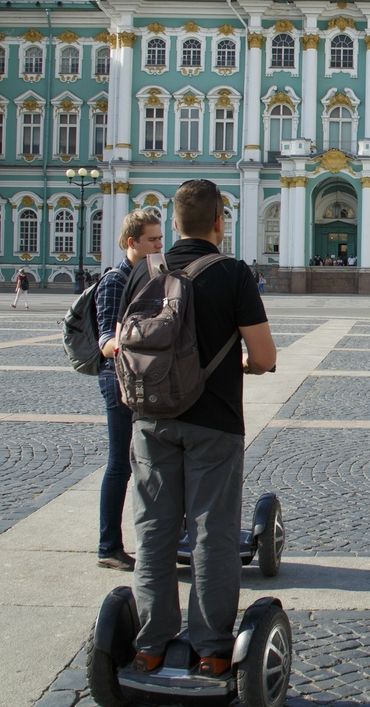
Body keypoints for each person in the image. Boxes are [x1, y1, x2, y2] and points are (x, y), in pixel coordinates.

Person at [115, 180, 277, 678]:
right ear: (219, 222)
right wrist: (245, 365)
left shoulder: (143, 272)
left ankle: (151, 646)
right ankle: (210, 649)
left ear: (175, 223)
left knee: (154, 531)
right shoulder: (232, 274)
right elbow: (266, 356)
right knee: (213, 534)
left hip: (151, 419)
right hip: (215, 422)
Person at [92, 210, 164, 571]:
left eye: (161, 238)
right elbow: (106, 339)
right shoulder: (115, 281)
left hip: (145, 376)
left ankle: (160, 539)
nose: (159, 245)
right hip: (117, 377)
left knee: (152, 462)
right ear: (132, 242)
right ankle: (109, 545)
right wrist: (137, 341)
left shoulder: (153, 277)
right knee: (120, 464)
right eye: (153, 239)